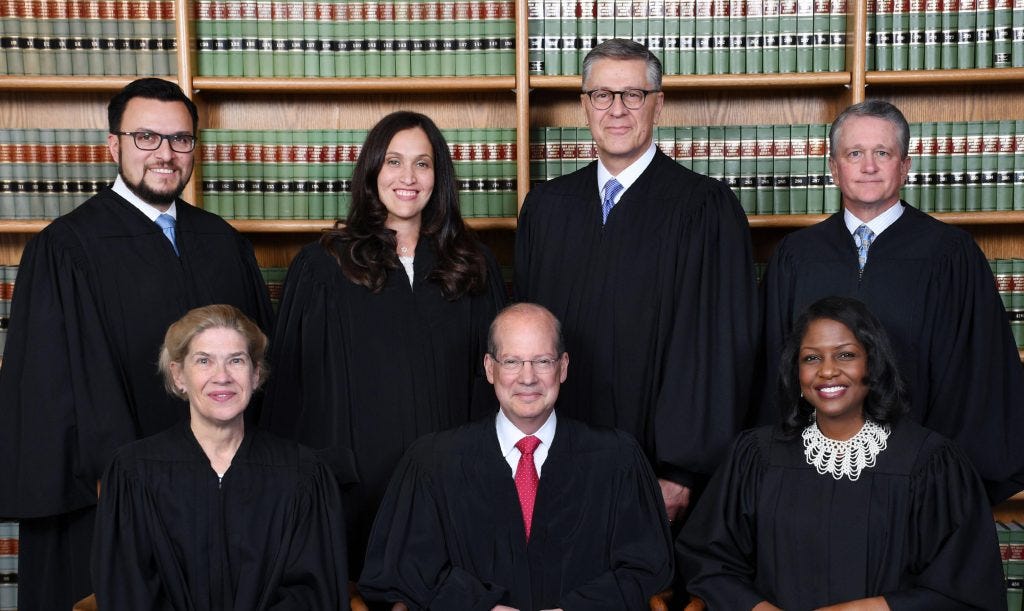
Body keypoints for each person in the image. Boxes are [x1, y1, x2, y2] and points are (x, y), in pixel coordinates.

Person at [0, 78, 273, 609]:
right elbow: (51, 392)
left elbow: (258, 372)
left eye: (180, 140)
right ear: (113, 145)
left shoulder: (222, 242)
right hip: (108, 502)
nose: (165, 154)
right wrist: (121, 483)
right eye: (147, 137)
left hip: (222, 493)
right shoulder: (65, 249)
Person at [515, 38, 759, 522]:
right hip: (557, 461)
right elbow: (525, 342)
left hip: (660, 473)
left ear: (658, 103)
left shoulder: (706, 208)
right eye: (602, 95)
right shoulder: (547, 208)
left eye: (634, 95)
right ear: (584, 105)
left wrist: (683, 470)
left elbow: (718, 346)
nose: (617, 110)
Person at [260, 110, 507, 577]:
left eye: (422, 163)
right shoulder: (323, 267)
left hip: (453, 486)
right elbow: (291, 392)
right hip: (355, 489)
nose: (407, 178)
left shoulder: (473, 265)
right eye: (393, 162)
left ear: (440, 176)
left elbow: (496, 382)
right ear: (372, 171)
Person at [757, 100, 1024, 503]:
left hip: (915, 477)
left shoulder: (950, 254)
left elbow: (975, 373)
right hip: (812, 475)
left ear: (905, 166)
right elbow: (772, 371)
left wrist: (938, 474)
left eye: (882, 153)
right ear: (833, 167)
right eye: (854, 154)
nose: (868, 166)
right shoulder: (796, 255)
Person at [677, 296, 1005, 609]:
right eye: (811, 358)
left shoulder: (930, 462)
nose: (828, 370)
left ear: (873, 364)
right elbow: (707, 561)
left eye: (846, 355)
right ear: (796, 372)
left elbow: (965, 587)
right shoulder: (756, 457)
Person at [359, 303, 673, 610]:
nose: (527, 378)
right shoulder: (433, 463)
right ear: (489, 368)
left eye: (542, 361)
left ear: (563, 367)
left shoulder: (617, 459)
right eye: (511, 362)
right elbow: (404, 567)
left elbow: (645, 568)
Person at [92, 304, 348, 609]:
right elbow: (128, 592)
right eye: (204, 361)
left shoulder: (302, 474)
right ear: (178, 375)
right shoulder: (133, 473)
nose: (222, 377)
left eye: (236, 361)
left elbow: (312, 594)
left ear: (255, 375)